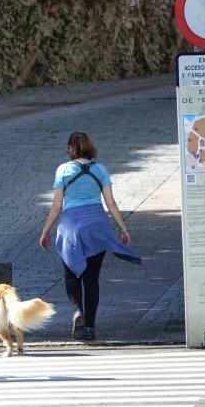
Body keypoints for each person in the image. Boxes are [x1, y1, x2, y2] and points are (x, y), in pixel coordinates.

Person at [39, 131, 141, 341]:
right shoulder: (100, 169)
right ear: (89, 147)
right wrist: (123, 228)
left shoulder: (63, 170)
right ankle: (91, 327)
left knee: (71, 276)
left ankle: (77, 311)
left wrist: (45, 230)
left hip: (72, 227)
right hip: (97, 226)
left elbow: (57, 205)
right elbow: (110, 203)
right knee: (91, 278)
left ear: (70, 149)